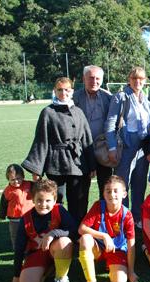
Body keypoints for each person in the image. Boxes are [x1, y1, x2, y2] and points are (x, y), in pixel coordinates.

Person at [22, 77, 95, 223]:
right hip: (56, 163)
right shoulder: (47, 112)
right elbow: (41, 140)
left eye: (67, 90)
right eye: (60, 90)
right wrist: (36, 169)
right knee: (55, 201)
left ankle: (76, 234)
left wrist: (92, 165)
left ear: (72, 91)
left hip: (78, 163)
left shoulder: (78, 112)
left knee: (79, 201)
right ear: (55, 91)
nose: (63, 93)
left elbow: (87, 140)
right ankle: (55, 232)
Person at [105, 67, 150, 227]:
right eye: (134, 78)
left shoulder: (146, 100)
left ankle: (137, 218)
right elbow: (111, 123)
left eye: (141, 79)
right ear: (129, 79)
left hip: (142, 146)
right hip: (126, 144)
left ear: (145, 81)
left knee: (140, 183)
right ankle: (121, 219)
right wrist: (111, 147)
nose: (137, 81)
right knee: (122, 184)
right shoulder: (121, 97)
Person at [78, 175, 138, 282]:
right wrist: (104, 235)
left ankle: (108, 265)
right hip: (98, 248)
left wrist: (131, 271)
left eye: (116, 191)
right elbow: (81, 228)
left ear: (124, 194)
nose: (112, 194)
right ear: (104, 194)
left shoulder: (127, 215)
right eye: (108, 191)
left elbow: (131, 244)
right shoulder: (98, 206)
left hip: (117, 250)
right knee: (85, 239)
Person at [12, 179, 76, 282]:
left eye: (48, 200)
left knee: (64, 242)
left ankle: (61, 277)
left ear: (55, 200)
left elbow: (73, 230)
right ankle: (49, 270)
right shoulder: (26, 218)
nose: (43, 204)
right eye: (39, 200)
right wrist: (16, 274)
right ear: (33, 199)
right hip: (37, 253)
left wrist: (53, 233)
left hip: (56, 250)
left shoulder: (59, 210)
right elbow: (19, 248)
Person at [73, 65, 113, 200]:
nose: (94, 81)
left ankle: (104, 218)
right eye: (91, 78)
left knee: (106, 187)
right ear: (84, 79)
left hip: (103, 148)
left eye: (97, 78)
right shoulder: (74, 97)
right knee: (81, 190)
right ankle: (80, 219)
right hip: (81, 150)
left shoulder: (108, 97)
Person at [0, 164, 34, 251]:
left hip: (30, 217)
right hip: (14, 220)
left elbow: (41, 187)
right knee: (15, 235)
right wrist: (1, 215)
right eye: (12, 179)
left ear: (23, 176)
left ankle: (32, 249)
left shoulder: (30, 185)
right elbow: (3, 204)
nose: (16, 181)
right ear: (8, 179)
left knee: (31, 233)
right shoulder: (7, 190)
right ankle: (18, 250)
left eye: (18, 178)